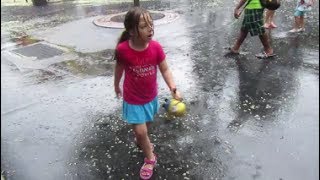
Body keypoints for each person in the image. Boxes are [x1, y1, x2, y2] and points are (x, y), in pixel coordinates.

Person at [113, 7, 182, 180]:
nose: (150, 29)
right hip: (133, 99)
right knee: (142, 132)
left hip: (150, 97)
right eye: (144, 26)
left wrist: (173, 87)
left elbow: (165, 69)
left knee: (146, 127)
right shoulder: (123, 49)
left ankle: (141, 140)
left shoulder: (156, 48)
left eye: (151, 24)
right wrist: (116, 86)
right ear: (131, 31)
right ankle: (150, 158)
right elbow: (119, 69)